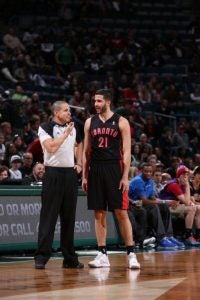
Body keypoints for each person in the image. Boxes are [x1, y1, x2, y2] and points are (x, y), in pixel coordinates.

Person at [82, 89, 140, 269]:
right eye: (94, 101)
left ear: (108, 101)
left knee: (121, 212)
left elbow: (128, 151)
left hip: (115, 168)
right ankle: (102, 254)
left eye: (99, 101)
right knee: (98, 212)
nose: (95, 104)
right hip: (96, 168)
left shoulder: (122, 122)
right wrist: (84, 175)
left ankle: (131, 253)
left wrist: (125, 176)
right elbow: (86, 151)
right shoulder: (89, 122)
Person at [34, 100, 84, 269]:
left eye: (69, 110)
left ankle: (70, 258)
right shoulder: (45, 127)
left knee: (69, 218)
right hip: (53, 174)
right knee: (49, 217)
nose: (69, 113)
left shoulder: (73, 127)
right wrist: (65, 134)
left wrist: (80, 164)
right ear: (56, 113)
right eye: (66, 110)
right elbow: (51, 148)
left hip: (70, 175)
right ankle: (41, 256)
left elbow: (80, 144)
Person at [128, 163, 185, 249]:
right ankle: (161, 238)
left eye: (150, 171)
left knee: (164, 207)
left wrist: (166, 202)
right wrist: (162, 202)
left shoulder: (150, 181)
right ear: (141, 171)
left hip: (143, 205)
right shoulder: (138, 181)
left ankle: (169, 236)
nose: (148, 173)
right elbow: (144, 200)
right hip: (134, 206)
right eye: (146, 171)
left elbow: (152, 198)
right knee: (154, 207)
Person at [159, 165, 200, 246]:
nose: (186, 177)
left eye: (187, 176)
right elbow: (187, 202)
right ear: (178, 176)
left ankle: (197, 235)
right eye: (183, 176)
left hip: (175, 206)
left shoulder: (181, 184)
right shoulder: (174, 184)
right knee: (191, 209)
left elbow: (187, 200)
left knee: (196, 208)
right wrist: (188, 184)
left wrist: (190, 202)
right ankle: (188, 236)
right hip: (165, 207)